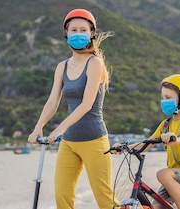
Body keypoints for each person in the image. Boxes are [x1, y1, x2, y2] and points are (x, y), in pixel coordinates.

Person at [27, 8, 116, 209]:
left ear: (92, 33)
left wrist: (59, 129)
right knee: (62, 198)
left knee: (105, 200)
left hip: (94, 140)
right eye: (73, 29)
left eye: (82, 30)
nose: (78, 33)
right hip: (69, 143)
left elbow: (86, 104)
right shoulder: (62, 66)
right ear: (66, 34)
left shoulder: (95, 63)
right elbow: (52, 102)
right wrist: (38, 127)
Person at [112, 74, 180, 209]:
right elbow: (146, 143)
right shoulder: (166, 125)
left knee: (162, 174)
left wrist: (177, 139)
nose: (163, 101)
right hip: (173, 179)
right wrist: (123, 147)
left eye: (168, 98)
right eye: (162, 98)